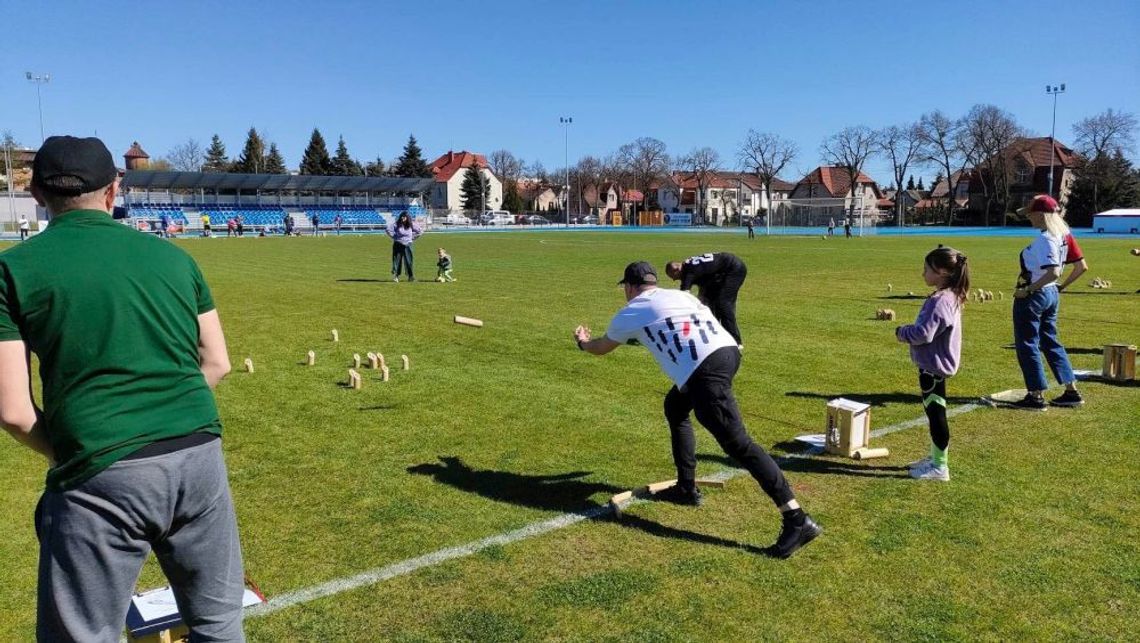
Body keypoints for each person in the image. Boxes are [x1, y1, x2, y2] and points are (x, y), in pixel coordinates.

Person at [0, 136, 245, 641]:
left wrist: (85, 448)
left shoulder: (12, 269)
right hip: (198, 450)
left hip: (101, 472)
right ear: (114, 190)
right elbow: (216, 362)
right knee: (219, 623)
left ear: (39, 194)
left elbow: (13, 412)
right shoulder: (176, 259)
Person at [573, 261, 821, 558]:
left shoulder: (633, 309)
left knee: (738, 444)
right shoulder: (679, 296)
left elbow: (601, 347)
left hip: (705, 370)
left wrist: (583, 343)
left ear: (629, 287)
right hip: (727, 353)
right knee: (675, 406)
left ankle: (797, 519)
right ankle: (686, 488)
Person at [895, 247, 969, 482]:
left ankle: (940, 467)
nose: (922, 274)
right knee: (935, 412)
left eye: (926, 269)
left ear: (942, 272)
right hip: (936, 364)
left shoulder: (940, 301)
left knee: (936, 415)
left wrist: (902, 332)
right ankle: (936, 458)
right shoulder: (951, 295)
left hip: (934, 367)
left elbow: (924, 334)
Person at [1010, 194, 1082, 409]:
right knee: (1050, 341)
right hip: (1050, 295)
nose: (1028, 218)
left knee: (1027, 343)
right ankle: (1071, 391)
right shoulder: (1060, 235)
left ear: (1040, 215)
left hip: (1037, 295)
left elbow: (1054, 272)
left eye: (1030, 214)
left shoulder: (1046, 239)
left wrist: (1029, 290)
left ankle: (1035, 395)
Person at [664, 252, 747, 346]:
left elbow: (684, 296)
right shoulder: (689, 266)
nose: (674, 280)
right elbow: (704, 287)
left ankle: (735, 341)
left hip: (733, 269)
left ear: (677, 270)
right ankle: (715, 333)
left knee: (723, 303)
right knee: (709, 303)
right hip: (720, 273)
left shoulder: (689, 272)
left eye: (673, 276)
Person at [386, 211, 422, 282]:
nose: (402, 218)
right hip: (398, 244)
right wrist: (394, 237)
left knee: (409, 261)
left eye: (404, 216)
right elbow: (388, 230)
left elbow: (420, 231)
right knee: (397, 261)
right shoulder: (397, 224)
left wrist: (412, 237)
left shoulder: (412, 225)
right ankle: (396, 276)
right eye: (402, 216)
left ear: (407, 218)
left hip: (408, 245)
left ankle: (410, 276)